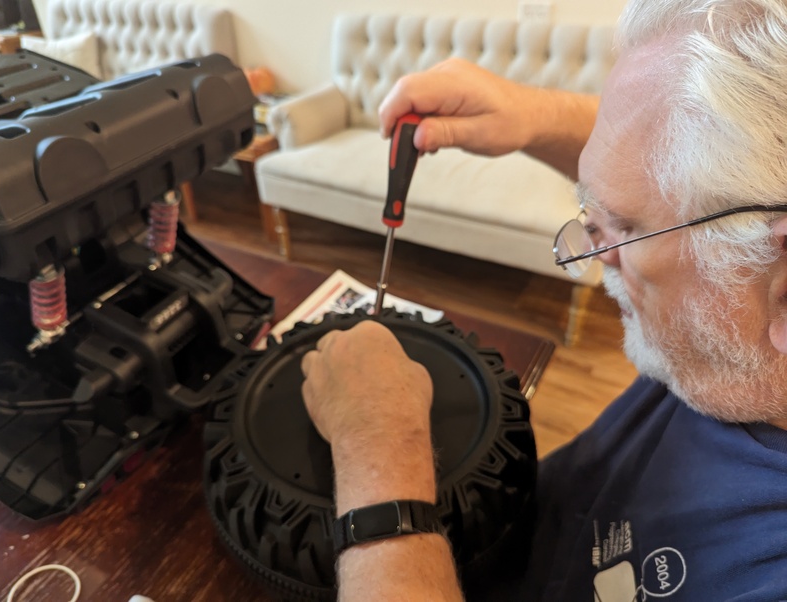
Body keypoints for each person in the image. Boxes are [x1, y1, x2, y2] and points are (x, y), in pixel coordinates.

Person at [300, 0, 787, 599]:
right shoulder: (742, 330)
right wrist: (536, 115)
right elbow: (686, 177)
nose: (595, 250)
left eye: (625, 228)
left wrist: (380, 455)